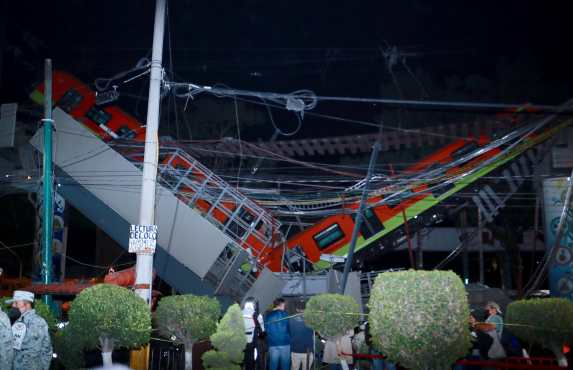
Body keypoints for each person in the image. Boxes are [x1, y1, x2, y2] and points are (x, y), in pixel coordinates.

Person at [7, 290, 53, 370]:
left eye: (16, 303)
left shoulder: (39, 322)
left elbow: (47, 350)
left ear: (27, 304)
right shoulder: (14, 320)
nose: (13, 306)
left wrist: (43, 368)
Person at [265, 297, 291, 370]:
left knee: (273, 366)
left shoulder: (268, 315)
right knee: (285, 366)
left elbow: (266, 330)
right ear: (281, 304)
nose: (285, 306)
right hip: (285, 343)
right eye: (284, 304)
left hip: (273, 344)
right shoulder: (286, 314)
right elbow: (290, 329)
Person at [288, 301, 314, 370]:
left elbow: (288, 332)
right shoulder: (310, 320)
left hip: (295, 349)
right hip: (307, 350)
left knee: (294, 368)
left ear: (297, 309)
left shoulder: (290, 319)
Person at [242, 297, 265, 370]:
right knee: (257, 360)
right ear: (254, 304)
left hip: (241, 342)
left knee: (246, 362)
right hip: (254, 343)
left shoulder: (238, 314)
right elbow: (263, 331)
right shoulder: (258, 315)